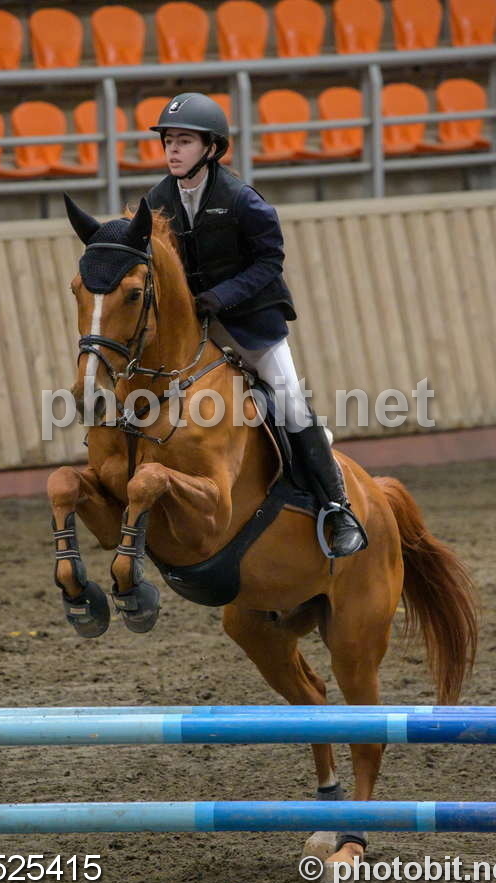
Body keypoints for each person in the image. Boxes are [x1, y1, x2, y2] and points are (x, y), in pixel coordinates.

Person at [146, 92, 367, 559]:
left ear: (211, 148)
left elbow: (270, 261)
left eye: (184, 141)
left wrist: (222, 296)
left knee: (289, 401)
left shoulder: (241, 199)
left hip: (250, 325)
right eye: (168, 141)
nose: (173, 150)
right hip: (196, 328)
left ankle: (338, 508)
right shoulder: (158, 200)